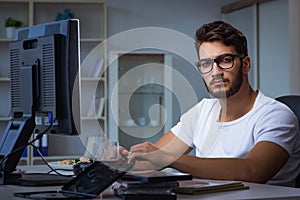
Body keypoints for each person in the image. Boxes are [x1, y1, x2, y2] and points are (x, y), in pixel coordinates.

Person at [120, 20, 300, 187]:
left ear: (245, 65)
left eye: (225, 60)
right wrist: (121, 162)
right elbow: (152, 161)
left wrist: (170, 158)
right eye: (206, 64)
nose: (215, 72)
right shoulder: (201, 112)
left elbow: (253, 170)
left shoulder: (276, 115)